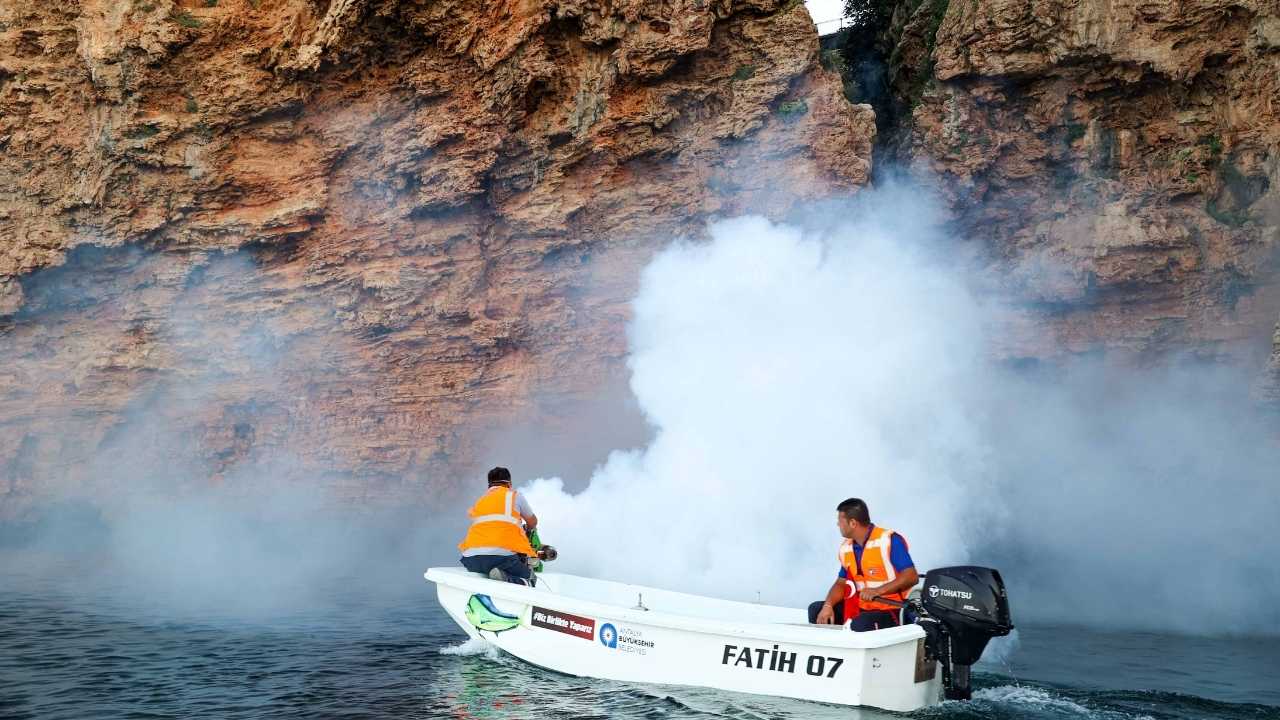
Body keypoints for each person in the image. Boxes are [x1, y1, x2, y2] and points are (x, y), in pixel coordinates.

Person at [809, 497, 918, 631]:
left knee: (860, 624)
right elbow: (840, 583)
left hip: (893, 610)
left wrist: (878, 591)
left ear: (853, 523)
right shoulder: (846, 548)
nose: (838, 524)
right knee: (816, 611)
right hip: (861, 608)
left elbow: (911, 576)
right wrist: (828, 606)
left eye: (840, 521)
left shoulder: (889, 540)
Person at [457, 466, 540, 586]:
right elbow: (532, 522)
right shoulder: (515, 496)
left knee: (489, 565)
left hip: (471, 559)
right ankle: (506, 578)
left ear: (489, 485)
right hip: (500, 559)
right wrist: (528, 530)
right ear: (509, 484)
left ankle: (495, 576)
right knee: (531, 580)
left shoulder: (480, 501)